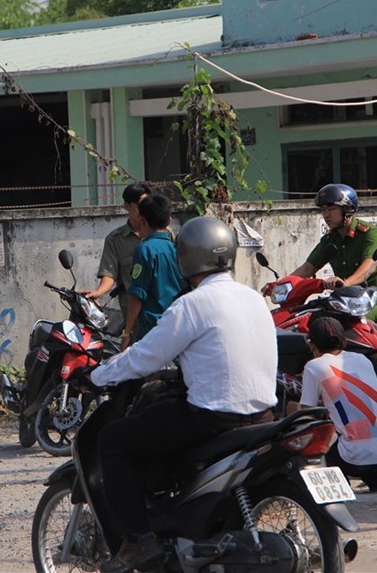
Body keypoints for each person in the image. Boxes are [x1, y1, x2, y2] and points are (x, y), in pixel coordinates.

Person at [90, 216, 278, 573]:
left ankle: (138, 539)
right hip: (265, 415)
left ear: (187, 259)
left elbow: (144, 357)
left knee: (113, 440)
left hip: (213, 419)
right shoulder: (254, 298)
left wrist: (97, 375)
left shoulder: (191, 305)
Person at [296, 316, 377, 493]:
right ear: (344, 342)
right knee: (354, 427)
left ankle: (340, 484)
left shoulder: (313, 366)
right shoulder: (363, 360)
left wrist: (292, 410)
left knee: (313, 433)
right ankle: (375, 480)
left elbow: (307, 414)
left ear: (311, 346)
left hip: (352, 462)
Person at [264, 183, 377, 321]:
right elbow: (308, 268)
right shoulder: (330, 239)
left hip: (371, 301)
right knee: (313, 321)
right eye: (323, 210)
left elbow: (369, 266)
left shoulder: (369, 234)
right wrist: (281, 285)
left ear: (347, 210)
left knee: (348, 323)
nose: (326, 214)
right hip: (344, 301)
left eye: (331, 208)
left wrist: (346, 283)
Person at [121, 193, 186, 350]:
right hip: (179, 327)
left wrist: (127, 333)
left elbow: (137, 295)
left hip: (153, 331)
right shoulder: (178, 249)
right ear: (169, 220)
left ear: (142, 221)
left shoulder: (145, 250)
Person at [83, 182, 153, 317]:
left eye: (148, 205)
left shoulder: (164, 234)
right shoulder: (115, 240)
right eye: (140, 205)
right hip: (134, 317)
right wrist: (98, 292)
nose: (145, 210)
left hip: (161, 314)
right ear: (126, 206)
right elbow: (109, 273)